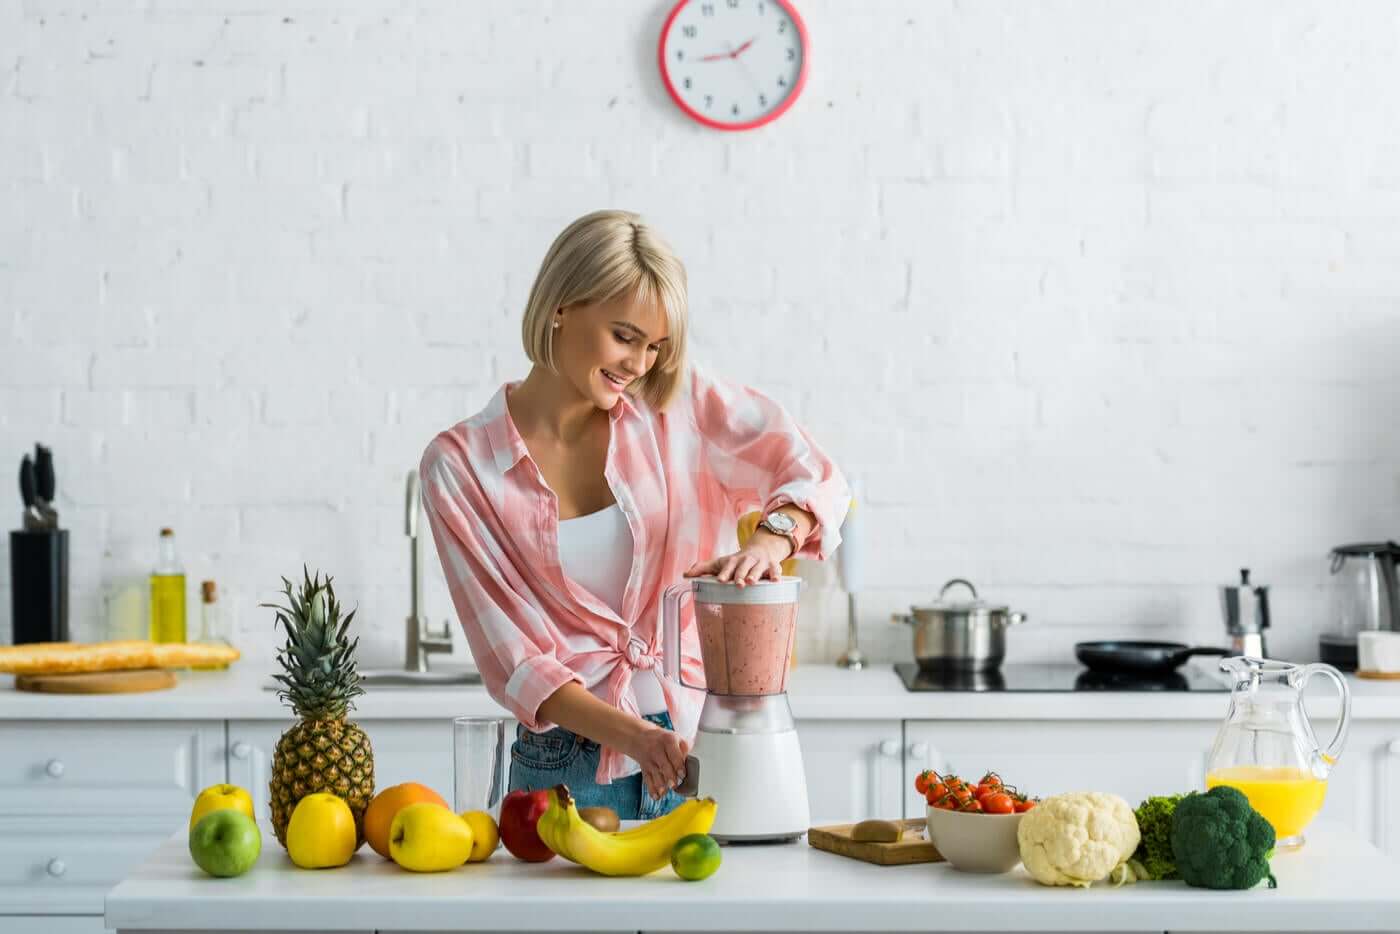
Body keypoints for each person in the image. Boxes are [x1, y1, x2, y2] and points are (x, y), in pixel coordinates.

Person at [419, 209, 849, 819]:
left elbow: (815, 471)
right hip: (563, 770)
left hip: (701, 743)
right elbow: (516, 662)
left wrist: (768, 544)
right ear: (561, 306)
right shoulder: (460, 467)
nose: (639, 364)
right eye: (625, 336)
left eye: (655, 347)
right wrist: (635, 739)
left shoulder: (681, 407)